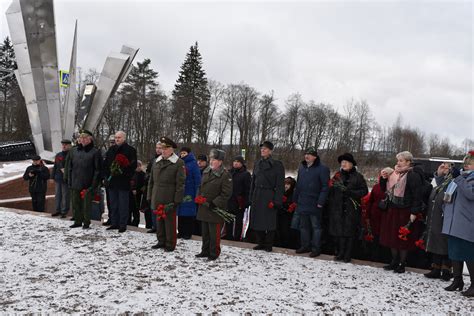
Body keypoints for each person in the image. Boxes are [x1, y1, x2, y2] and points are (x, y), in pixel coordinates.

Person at [379, 151, 424, 273]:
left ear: (408, 162)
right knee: (392, 236)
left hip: (405, 210)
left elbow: (417, 195)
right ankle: (394, 261)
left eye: (401, 160)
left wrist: (414, 212)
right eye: (398, 160)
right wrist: (383, 179)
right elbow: (385, 189)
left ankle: (402, 263)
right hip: (393, 209)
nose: (398, 163)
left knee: (403, 238)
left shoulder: (412, 175)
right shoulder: (393, 173)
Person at [441, 151, 474, 297]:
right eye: (465, 161)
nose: (466, 164)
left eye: (470, 162)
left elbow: (471, 194)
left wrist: (459, 178)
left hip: (467, 222)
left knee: (469, 254)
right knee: (455, 252)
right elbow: (448, 195)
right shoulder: (459, 178)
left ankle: (473, 285)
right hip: (453, 221)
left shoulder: (463, 178)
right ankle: (457, 280)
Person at [328, 153, 368, 263]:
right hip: (338, 209)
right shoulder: (337, 176)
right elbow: (331, 191)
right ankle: (340, 253)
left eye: (346, 162)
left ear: (351, 164)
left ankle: (348, 254)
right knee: (340, 232)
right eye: (342, 162)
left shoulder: (358, 177)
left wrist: (350, 192)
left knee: (349, 233)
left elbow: (364, 191)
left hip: (352, 209)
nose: (343, 164)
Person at [147, 137, 185, 251]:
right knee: (159, 221)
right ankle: (161, 241)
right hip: (157, 195)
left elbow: (180, 184)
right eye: (162, 148)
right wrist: (149, 196)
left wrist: (177, 200)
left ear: (171, 149)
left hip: (169, 197)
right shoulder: (156, 161)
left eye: (165, 148)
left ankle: (170, 243)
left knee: (169, 223)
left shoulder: (178, 163)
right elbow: (151, 181)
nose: (163, 151)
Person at [195, 149, 233, 260]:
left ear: (220, 161)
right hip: (204, 206)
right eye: (211, 159)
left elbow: (226, 194)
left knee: (214, 233)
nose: (211, 161)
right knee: (205, 232)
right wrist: (199, 196)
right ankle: (205, 251)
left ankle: (214, 253)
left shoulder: (225, 175)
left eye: (214, 159)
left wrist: (214, 203)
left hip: (214, 208)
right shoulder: (207, 171)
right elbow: (200, 186)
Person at [423, 162, 458, 281]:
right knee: (435, 239)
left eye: (447, 167)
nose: (445, 168)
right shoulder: (441, 183)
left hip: (446, 216)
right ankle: (436, 268)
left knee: (444, 241)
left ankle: (447, 269)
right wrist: (439, 172)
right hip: (436, 215)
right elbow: (438, 182)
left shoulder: (453, 182)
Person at [293, 147, 330, 257]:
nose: (306, 156)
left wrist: (321, 201)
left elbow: (325, 187)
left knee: (316, 227)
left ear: (315, 156)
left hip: (315, 203)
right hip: (303, 202)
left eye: (309, 154)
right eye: (306, 154)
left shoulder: (322, 169)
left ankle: (316, 248)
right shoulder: (302, 167)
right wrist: (295, 199)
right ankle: (305, 246)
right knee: (303, 226)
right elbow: (298, 185)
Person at [249, 141, 285, 252]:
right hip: (257, 194)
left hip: (269, 195)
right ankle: (260, 242)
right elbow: (253, 181)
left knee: (269, 221)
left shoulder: (277, 165)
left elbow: (280, 185)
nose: (262, 150)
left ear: (270, 151)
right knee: (257, 220)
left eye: (265, 149)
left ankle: (268, 244)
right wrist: (251, 196)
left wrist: (276, 201)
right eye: (261, 149)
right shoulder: (257, 163)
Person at [66, 130, 102, 229]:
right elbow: (69, 167)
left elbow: (97, 170)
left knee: (86, 205)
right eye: (81, 138)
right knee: (75, 203)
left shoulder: (95, 152)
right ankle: (77, 221)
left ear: (90, 139)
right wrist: (69, 180)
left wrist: (93, 184)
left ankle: (86, 222)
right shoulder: (74, 151)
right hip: (75, 182)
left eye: (85, 138)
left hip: (88, 183)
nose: (83, 140)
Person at [104, 131, 137, 233]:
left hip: (123, 181)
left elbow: (132, 166)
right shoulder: (111, 150)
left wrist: (122, 172)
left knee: (123, 204)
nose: (117, 139)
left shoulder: (130, 150)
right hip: (112, 181)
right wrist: (107, 175)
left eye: (119, 137)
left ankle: (123, 224)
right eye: (116, 137)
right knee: (113, 204)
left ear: (124, 138)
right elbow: (105, 164)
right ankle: (114, 223)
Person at [365, 167, 393, 262]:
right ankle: (375, 257)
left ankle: (383, 258)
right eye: (382, 174)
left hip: (386, 216)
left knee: (384, 237)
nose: (383, 175)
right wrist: (367, 215)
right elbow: (370, 201)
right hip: (376, 215)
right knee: (376, 238)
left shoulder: (393, 187)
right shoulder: (376, 187)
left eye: (386, 174)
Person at [177, 147, 201, 239]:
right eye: (181, 153)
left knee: (189, 213)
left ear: (189, 154)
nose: (182, 155)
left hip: (190, 192)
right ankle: (181, 231)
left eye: (184, 153)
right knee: (181, 214)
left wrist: (197, 194)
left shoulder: (193, 164)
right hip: (181, 191)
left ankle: (188, 232)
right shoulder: (179, 163)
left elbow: (197, 179)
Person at [226, 156, 251, 241]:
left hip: (239, 201)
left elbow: (248, 189)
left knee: (239, 221)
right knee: (228, 219)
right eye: (234, 161)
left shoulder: (246, 174)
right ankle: (228, 235)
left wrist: (247, 201)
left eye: (238, 162)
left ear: (242, 163)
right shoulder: (229, 172)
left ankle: (237, 237)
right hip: (229, 200)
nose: (235, 163)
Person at [143, 142, 163, 233]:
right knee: (152, 207)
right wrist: (148, 176)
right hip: (152, 186)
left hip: (161, 186)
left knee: (160, 208)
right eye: (157, 147)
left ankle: (160, 227)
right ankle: (154, 226)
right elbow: (147, 171)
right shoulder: (153, 160)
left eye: (160, 148)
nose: (158, 149)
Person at [276, 176, 299, 249]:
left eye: (288, 184)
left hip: (288, 217)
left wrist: (287, 205)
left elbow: (293, 204)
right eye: (285, 184)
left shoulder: (293, 193)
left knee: (286, 231)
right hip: (279, 215)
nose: (286, 186)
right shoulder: (280, 192)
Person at [51, 139, 72, 218]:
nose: (64, 146)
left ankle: (64, 211)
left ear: (69, 145)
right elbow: (55, 166)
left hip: (66, 179)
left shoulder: (71, 154)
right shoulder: (59, 155)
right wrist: (52, 177)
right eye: (63, 145)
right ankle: (57, 210)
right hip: (58, 178)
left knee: (65, 195)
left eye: (65, 145)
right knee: (58, 195)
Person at [129, 160, 145, 227]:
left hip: (138, 194)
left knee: (136, 209)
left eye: (139, 166)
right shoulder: (131, 173)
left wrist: (138, 191)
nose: (138, 167)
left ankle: (136, 222)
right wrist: (131, 189)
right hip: (130, 193)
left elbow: (144, 185)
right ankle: (128, 221)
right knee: (129, 208)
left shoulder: (143, 174)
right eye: (137, 166)